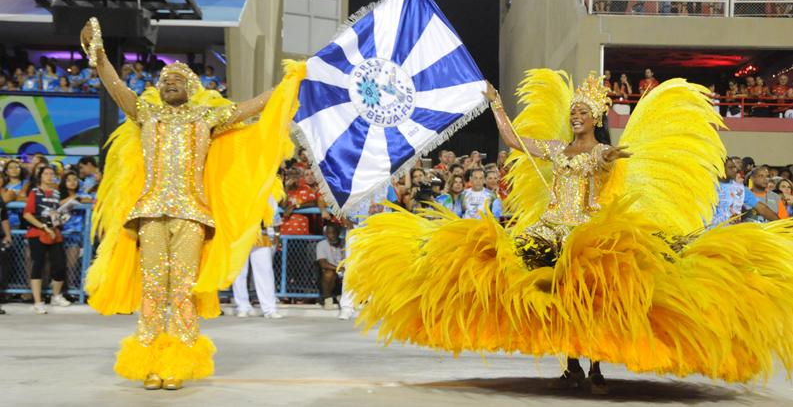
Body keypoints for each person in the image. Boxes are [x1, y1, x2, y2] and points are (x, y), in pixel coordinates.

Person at [344, 67, 793, 393]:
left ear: (595, 117)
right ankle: (570, 363)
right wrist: (496, 104)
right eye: (573, 111)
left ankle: (594, 365)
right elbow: (516, 141)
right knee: (549, 294)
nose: (575, 116)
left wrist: (613, 159)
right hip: (548, 228)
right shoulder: (557, 149)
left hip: (587, 231)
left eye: (582, 112)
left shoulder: (599, 152)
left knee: (593, 297)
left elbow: (606, 162)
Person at [80, 18, 300, 389]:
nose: (169, 83)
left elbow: (252, 106)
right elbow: (114, 85)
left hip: (192, 215)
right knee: (153, 288)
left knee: (181, 290)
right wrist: (98, 53)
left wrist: (289, 83)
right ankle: (148, 363)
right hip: (149, 212)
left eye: (177, 80)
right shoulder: (144, 113)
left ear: (192, 87)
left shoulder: (207, 117)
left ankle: (178, 364)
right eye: (164, 81)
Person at [22, 165, 71, 314]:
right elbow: (27, 214)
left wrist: (61, 218)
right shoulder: (34, 192)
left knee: (60, 264)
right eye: (46, 174)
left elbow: (55, 213)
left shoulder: (56, 193)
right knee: (38, 266)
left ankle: (56, 296)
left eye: (52, 174)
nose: (50, 176)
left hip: (55, 233)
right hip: (38, 233)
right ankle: (38, 302)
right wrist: (44, 227)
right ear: (40, 176)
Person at [232, 197, 283, 319]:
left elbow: (273, 213)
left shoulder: (266, 190)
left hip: (262, 234)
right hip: (240, 235)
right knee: (239, 272)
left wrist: (276, 234)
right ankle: (242, 307)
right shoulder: (236, 188)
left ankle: (269, 308)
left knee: (265, 271)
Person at [711, 159, 779, 226]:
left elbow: (762, 208)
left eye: (734, 167)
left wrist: (782, 225)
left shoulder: (740, 189)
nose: (735, 170)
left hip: (731, 233)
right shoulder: (708, 186)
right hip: (707, 233)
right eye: (730, 168)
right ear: (719, 168)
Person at [59, 172, 92, 290]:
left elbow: (93, 201)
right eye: (69, 180)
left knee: (71, 265)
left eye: (75, 179)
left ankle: (71, 289)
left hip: (76, 235)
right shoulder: (59, 195)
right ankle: (55, 290)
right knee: (58, 265)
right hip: (59, 234)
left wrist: (82, 199)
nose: (72, 182)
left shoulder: (83, 195)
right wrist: (72, 198)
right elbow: (58, 204)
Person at [316, 223, 345, 310]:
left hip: (346, 270)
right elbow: (323, 263)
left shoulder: (345, 243)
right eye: (328, 233)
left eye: (333, 232)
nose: (331, 235)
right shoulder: (321, 244)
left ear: (338, 233)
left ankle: (351, 299)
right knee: (328, 274)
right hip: (333, 270)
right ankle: (327, 299)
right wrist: (338, 268)